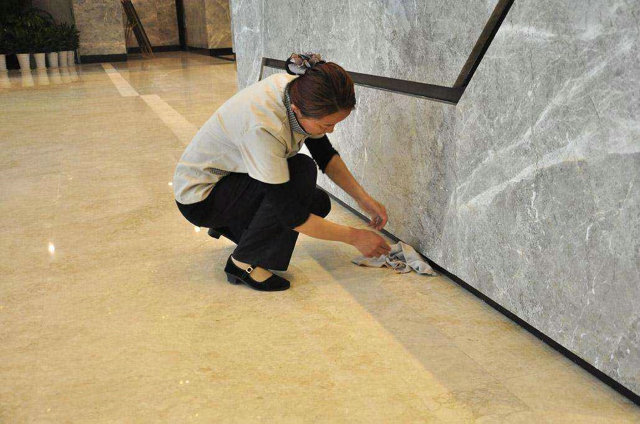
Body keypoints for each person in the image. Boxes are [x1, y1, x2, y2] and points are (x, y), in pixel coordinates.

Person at [173, 52, 390, 292]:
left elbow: (325, 155)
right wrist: (355, 237)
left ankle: (239, 228)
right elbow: (290, 216)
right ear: (297, 110)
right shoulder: (265, 127)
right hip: (202, 198)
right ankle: (242, 263)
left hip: (231, 178)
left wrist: (363, 199)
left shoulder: (299, 91)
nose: (331, 130)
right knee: (301, 172)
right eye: (326, 125)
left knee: (317, 202)